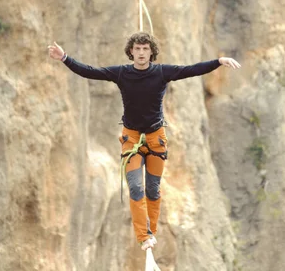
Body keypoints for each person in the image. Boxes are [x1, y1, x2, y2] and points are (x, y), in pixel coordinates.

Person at [47, 32, 241, 251]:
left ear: (151, 52)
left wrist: (218, 62)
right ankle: (144, 235)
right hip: (131, 141)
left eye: (145, 49)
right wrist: (64, 58)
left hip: (156, 139)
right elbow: (89, 72)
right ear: (131, 52)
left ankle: (151, 231)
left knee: (153, 189)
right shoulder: (121, 73)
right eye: (137, 49)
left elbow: (191, 69)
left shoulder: (162, 73)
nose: (141, 53)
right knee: (136, 188)